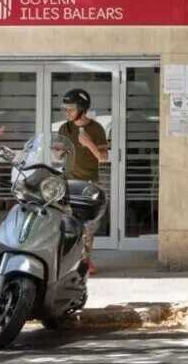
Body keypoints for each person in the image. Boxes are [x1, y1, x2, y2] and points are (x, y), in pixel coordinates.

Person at [58, 88, 109, 275]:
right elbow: (60, 153)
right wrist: (58, 151)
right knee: (68, 224)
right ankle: (67, 262)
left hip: (89, 184)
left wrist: (89, 144)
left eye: (71, 109)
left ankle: (85, 262)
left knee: (88, 227)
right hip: (68, 184)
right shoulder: (65, 128)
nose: (67, 112)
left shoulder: (96, 128)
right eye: (65, 108)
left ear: (82, 108)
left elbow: (103, 157)